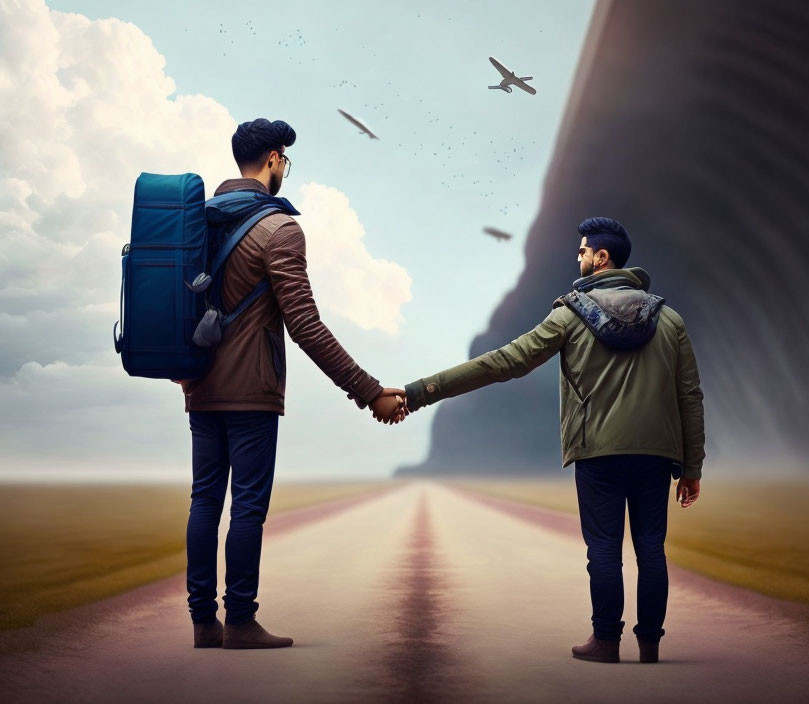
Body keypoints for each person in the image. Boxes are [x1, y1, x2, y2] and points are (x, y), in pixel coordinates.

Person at [394, 217, 704, 664]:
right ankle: (650, 644)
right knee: (651, 548)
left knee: (603, 549)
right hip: (656, 455)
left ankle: (605, 642)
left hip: (597, 452)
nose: (576, 257)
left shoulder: (571, 315)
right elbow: (689, 396)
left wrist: (421, 390)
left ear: (602, 257)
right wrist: (691, 467)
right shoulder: (670, 320)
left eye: (582, 250)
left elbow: (505, 362)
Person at [176, 118, 407, 650]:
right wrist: (369, 389)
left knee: (205, 500)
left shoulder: (198, 223)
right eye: (286, 162)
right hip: (252, 389)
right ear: (275, 160)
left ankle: (201, 623)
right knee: (248, 504)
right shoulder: (280, 229)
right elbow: (304, 324)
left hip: (200, 385)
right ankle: (239, 621)